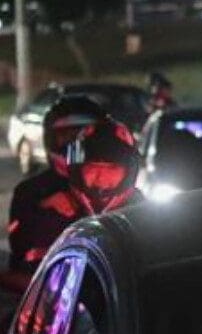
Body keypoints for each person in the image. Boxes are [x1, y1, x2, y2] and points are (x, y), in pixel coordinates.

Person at [3, 117, 143, 292]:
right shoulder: (49, 211)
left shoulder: (144, 216)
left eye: (111, 170)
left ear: (128, 172)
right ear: (78, 169)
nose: (100, 179)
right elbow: (22, 273)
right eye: (92, 169)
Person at [6, 95, 108, 289]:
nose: (76, 144)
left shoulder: (119, 185)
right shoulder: (31, 193)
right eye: (67, 135)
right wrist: (45, 213)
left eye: (85, 135)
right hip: (55, 292)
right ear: (51, 138)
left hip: (112, 291)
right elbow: (21, 260)